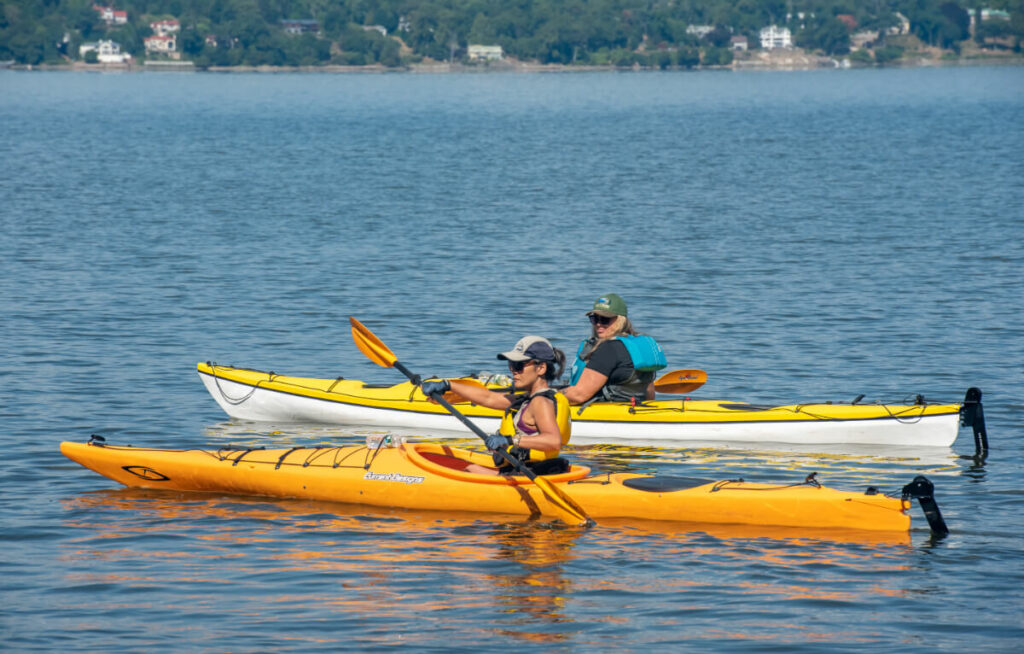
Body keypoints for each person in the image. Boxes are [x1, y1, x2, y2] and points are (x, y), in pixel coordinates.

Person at [420, 336, 571, 476]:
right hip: (524, 471)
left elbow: (553, 440)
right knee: (469, 468)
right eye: (511, 365)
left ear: (541, 368)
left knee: (468, 470)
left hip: (529, 476)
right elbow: (488, 397)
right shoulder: (528, 400)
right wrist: (448, 385)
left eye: (519, 365)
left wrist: (510, 440)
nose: (513, 371)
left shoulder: (540, 402)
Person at [560, 293, 667, 405]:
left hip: (607, 411)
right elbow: (650, 394)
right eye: (594, 319)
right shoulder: (638, 346)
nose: (599, 324)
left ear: (620, 320)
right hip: (634, 408)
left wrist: (550, 394)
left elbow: (579, 395)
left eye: (605, 319)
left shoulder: (609, 348)